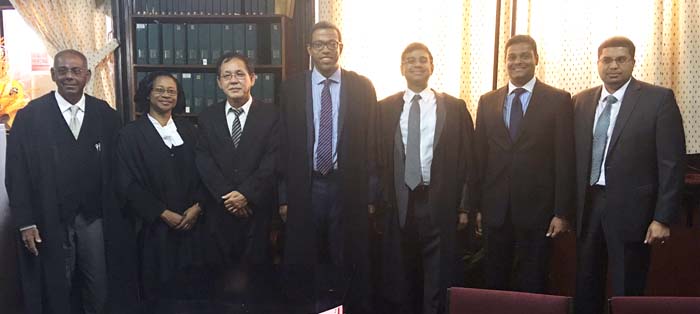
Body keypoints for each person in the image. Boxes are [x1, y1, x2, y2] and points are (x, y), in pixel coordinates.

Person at [6, 49, 130, 314]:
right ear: (53, 75)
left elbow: (120, 170)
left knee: (98, 287)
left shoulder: (106, 115)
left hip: (95, 219)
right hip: (48, 219)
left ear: (87, 75)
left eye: (76, 71)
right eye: (62, 71)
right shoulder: (30, 117)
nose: (69, 77)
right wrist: (25, 222)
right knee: (56, 288)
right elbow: (16, 173)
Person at [573, 36, 685, 314]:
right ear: (598, 63)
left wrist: (662, 217)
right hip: (587, 208)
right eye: (607, 60)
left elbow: (671, 163)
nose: (614, 66)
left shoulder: (658, 99)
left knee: (627, 290)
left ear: (633, 62)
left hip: (634, 211)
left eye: (621, 60)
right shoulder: (580, 102)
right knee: (586, 285)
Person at [277, 21, 378, 313]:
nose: (326, 49)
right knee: (305, 258)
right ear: (309, 49)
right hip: (305, 186)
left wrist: (371, 195)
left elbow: (372, 142)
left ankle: (344, 309)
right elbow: (282, 145)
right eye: (319, 44)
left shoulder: (361, 86)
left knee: (345, 257)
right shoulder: (292, 88)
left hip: (347, 187)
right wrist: (283, 196)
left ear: (340, 48)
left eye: (331, 43)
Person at [473, 35, 575, 293]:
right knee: (494, 281)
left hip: (538, 211)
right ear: (505, 62)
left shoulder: (559, 100)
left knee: (532, 281)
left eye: (524, 56)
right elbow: (479, 158)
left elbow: (564, 159)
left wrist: (561, 212)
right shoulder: (487, 101)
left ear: (536, 59)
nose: (518, 61)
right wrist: (475, 206)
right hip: (496, 211)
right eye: (512, 57)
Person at [377, 42, 474, 314]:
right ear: (401, 68)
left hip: (438, 202)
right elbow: (377, 160)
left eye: (422, 60)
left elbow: (468, 161)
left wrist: (465, 206)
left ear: (432, 66)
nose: (417, 65)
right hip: (400, 204)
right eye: (410, 60)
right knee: (401, 275)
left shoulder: (454, 108)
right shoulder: (384, 109)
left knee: (438, 276)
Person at [115, 71, 205, 313]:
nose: (166, 95)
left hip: (191, 228)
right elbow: (127, 183)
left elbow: (205, 173)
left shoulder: (190, 131)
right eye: (160, 90)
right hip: (153, 231)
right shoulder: (130, 134)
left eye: (172, 91)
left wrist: (197, 207)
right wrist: (162, 213)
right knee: (157, 296)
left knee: (192, 293)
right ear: (148, 93)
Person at [195, 52, 278, 301]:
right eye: (227, 75)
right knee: (220, 286)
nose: (233, 80)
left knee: (258, 284)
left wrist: (246, 195)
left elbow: (273, 160)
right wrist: (229, 197)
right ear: (219, 82)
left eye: (240, 74)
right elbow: (204, 161)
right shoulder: (207, 117)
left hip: (257, 212)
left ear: (252, 78)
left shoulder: (272, 115)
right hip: (219, 215)